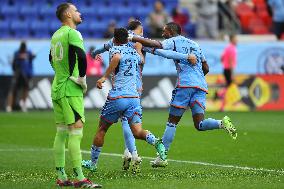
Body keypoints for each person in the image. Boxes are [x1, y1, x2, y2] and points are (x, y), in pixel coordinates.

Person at [87, 20, 197, 173]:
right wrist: (185, 56)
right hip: (134, 91)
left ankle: (132, 154)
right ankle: (137, 150)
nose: (142, 34)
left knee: (113, 125)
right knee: (134, 127)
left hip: (120, 92)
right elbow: (162, 53)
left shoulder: (115, 42)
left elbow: (104, 49)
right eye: (141, 30)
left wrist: (95, 55)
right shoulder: (137, 41)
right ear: (135, 30)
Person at [129, 22, 237, 167]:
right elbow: (206, 67)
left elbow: (157, 45)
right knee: (199, 124)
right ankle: (221, 123)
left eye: (164, 31)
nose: (163, 34)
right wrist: (197, 78)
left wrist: (134, 38)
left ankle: (162, 157)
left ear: (171, 32)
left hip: (185, 84)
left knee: (172, 122)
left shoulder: (173, 41)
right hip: (200, 86)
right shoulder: (195, 44)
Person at [82, 27, 168, 174]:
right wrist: (139, 48)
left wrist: (104, 77)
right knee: (137, 131)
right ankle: (156, 142)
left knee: (102, 129)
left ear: (115, 39)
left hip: (118, 96)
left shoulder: (114, 49)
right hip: (134, 98)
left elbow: (116, 58)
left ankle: (93, 163)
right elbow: (141, 60)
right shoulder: (135, 53)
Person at [49, 3, 101, 188]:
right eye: (76, 10)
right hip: (70, 90)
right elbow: (80, 54)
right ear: (69, 14)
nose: (79, 13)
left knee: (61, 132)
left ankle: (61, 176)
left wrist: (61, 75)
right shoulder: (74, 33)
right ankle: (80, 178)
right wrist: (81, 78)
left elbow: (50, 59)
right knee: (76, 131)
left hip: (57, 87)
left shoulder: (56, 35)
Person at [6, 41, 35, 112]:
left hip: (26, 74)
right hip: (18, 74)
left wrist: (32, 56)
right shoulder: (17, 53)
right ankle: (9, 106)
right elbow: (14, 62)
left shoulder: (29, 53)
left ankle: (24, 105)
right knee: (12, 90)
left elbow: (31, 60)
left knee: (25, 89)